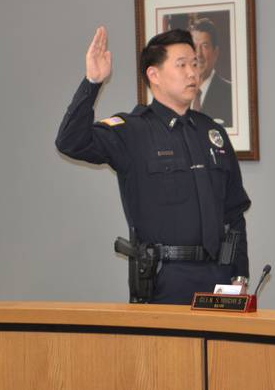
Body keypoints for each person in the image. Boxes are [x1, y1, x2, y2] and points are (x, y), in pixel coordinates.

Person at [56, 26, 251, 304]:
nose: (192, 72)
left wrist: (239, 277)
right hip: (164, 279)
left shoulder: (212, 133)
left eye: (195, 64)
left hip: (218, 279)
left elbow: (234, 214)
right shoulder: (132, 130)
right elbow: (70, 141)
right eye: (181, 65)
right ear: (154, 75)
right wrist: (92, 82)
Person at [189, 18, 233, 127]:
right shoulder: (177, 94)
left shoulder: (231, 94)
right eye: (194, 47)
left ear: (216, 53)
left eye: (204, 46)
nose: (198, 54)